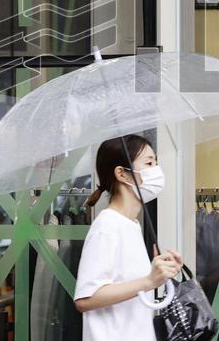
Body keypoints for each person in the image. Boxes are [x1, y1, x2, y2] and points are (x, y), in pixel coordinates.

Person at [74, 135, 184, 341]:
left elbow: (131, 287)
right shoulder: (107, 227)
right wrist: (149, 281)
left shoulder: (131, 224)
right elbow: (86, 299)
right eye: (149, 163)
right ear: (122, 174)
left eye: (156, 163)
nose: (156, 171)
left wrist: (158, 274)